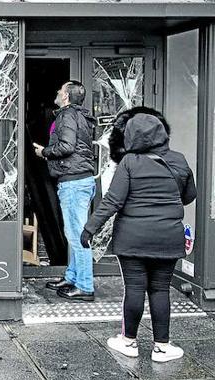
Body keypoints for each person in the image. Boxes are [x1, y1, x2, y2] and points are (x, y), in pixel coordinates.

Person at [80, 109, 197, 362]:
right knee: (160, 290)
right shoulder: (179, 160)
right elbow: (189, 196)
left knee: (134, 288)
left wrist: (90, 228)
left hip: (132, 238)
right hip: (168, 237)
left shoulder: (129, 162)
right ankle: (162, 347)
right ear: (162, 134)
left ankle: (129, 342)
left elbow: (113, 201)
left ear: (132, 136)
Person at [34, 80, 97, 301]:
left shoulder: (67, 115)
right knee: (73, 232)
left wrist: (45, 152)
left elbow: (67, 147)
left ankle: (85, 286)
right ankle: (72, 276)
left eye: (60, 90)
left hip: (74, 183)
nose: (57, 92)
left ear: (67, 97)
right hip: (78, 181)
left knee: (77, 235)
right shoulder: (79, 116)